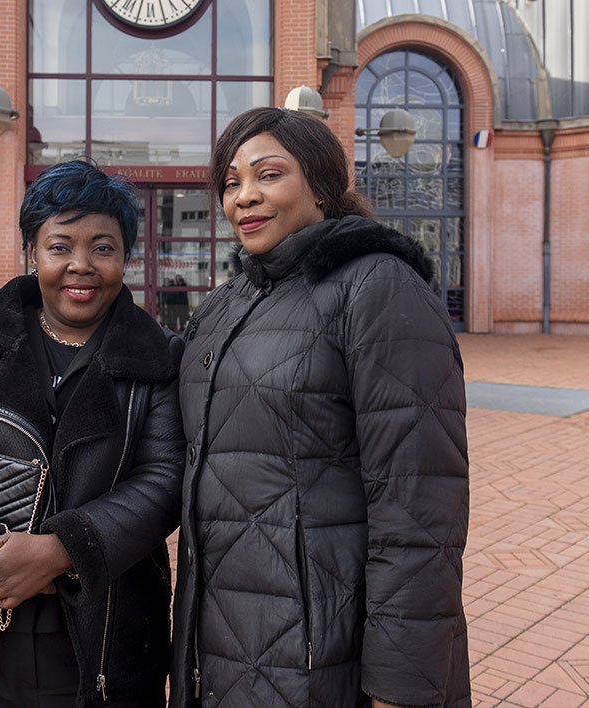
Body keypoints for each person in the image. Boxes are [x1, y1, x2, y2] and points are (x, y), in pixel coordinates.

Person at [170, 107, 470, 708]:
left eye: (269, 175)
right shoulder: (227, 304)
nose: (244, 197)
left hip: (322, 656)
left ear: (322, 186)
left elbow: (418, 506)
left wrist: (400, 685)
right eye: (230, 183)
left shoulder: (378, 286)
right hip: (219, 644)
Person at [0, 160, 184, 707]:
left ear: (127, 258)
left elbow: (165, 478)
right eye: (60, 246)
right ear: (32, 253)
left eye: (103, 248)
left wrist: (63, 549)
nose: (81, 266)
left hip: (105, 640)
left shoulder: (157, 359)